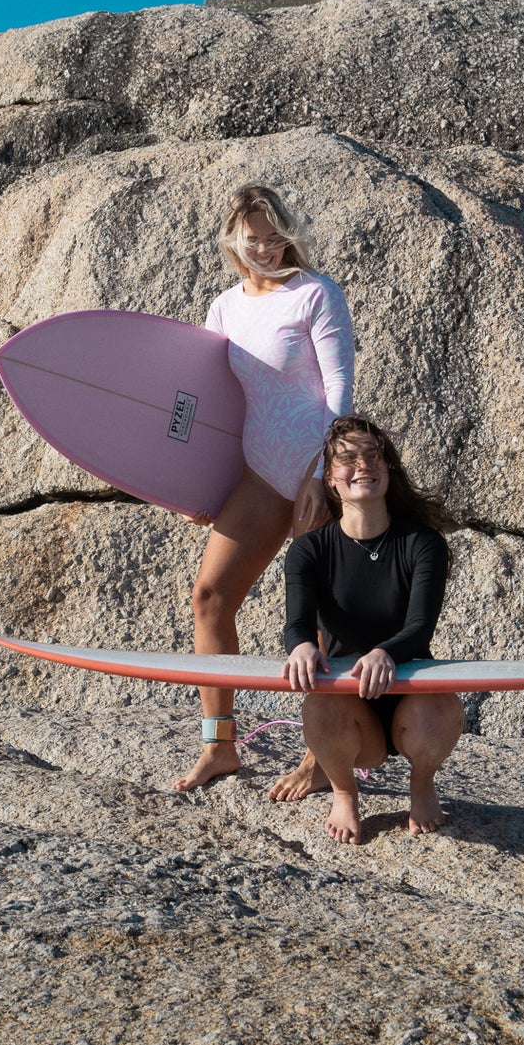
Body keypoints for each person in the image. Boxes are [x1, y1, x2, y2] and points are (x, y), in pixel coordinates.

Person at [176, 185, 353, 792]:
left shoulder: (316, 294)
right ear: (234, 239)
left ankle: (320, 755)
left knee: (321, 619)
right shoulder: (224, 306)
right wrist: (200, 485)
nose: (267, 249)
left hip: (315, 473)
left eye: (276, 237)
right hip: (256, 473)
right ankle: (219, 745)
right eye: (254, 239)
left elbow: (339, 396)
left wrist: (318, 476)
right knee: (210, 597)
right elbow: (213, 405)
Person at [281, 416, 464, 843]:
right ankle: (344, 789)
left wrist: (385, 652)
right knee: (317, 704)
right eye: (348, 458)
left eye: (373, 455)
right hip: (350, 705)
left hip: (411, 696)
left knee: (439, 706)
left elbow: (419, 628)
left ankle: (422, 783)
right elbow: (297, 624)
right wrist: (303, 646)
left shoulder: (422, 543)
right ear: (331, 479)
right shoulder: (310, 549)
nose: (362, 465)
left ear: (389, 469)